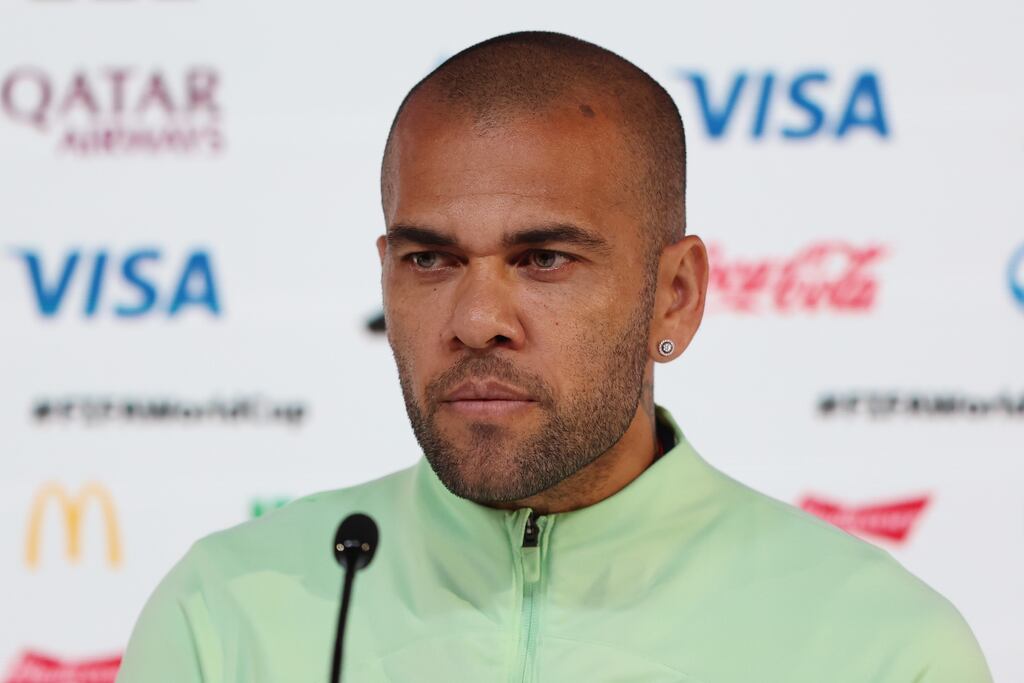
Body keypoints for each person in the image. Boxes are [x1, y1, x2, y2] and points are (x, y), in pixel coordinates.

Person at [117, 31, 992, 682]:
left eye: (544, 259)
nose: (476, 319)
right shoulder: (222, 616)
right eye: (432, 258)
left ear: (676, 295)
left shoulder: (882, 646)